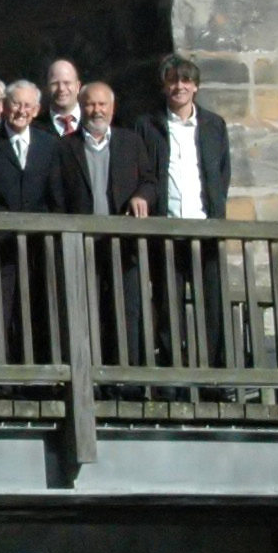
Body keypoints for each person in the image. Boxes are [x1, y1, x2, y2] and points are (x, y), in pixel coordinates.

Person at [51, 81, 156, 388]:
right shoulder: (65, 147)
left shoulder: (131, 142)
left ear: (112, 108)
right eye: (90, 104)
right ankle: (91, 383)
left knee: (127, 312)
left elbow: (150, 181)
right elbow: (57, 195)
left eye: (102, 104)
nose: (96, 110)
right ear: (81, 107)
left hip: (123, 245)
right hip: (82, 245)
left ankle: (128, 384)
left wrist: (142, 196)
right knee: (88, 313)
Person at [135, 54, 231, 382]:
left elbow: (221, 174)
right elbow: (144, 172)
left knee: (212, 307)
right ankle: (172, 383)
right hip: (167, 230)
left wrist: (216, 214)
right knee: (168, 307)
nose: (180, 86)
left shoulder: (214, 125)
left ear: (196, 86)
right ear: (165, 86)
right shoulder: (147, 125)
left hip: (206, 230)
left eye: (186, 80)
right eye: (173, 80)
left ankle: (214, 381)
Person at [0, 79, 61, 368]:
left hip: (38, 244)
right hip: (0, 243)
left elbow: (56, 195)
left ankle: (36, 374)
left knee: (36, 309)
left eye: (28, 106)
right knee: (0, 309)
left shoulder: (50, 144)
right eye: (16, 104)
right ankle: (2, 374)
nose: (21, 111)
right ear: (4, 107)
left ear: (36, 110)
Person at [39, 59, 83, 136]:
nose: (61, 89)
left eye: (67, 83)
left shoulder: (92, 120)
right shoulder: (35, 126)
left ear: (78, 86)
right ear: (46, 88)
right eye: (54, 84)